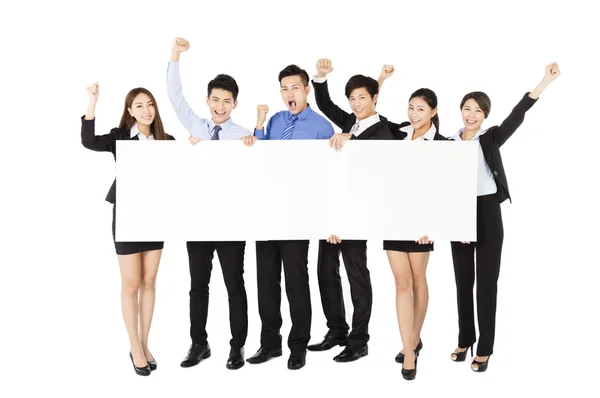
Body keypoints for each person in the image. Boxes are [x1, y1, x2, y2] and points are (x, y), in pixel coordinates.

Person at [449, 63, 561, 373]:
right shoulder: (447, 144)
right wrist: (451, 220)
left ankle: (484, 347)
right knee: (462, 283)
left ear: (485, 116)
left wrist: (544, 82)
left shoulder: (491, 138)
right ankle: (465, 338)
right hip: (456, 211)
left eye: (478, 111)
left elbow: (517, 115)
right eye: (467, 108)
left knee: (486, 283)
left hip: (487, 212)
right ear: (461, 111)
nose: (472, 114)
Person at [241, 64, 334, 370]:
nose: (289, 93)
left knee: (296, 282)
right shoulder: (277, 120)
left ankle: (298, 346)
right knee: (266, 281)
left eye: (294, 87)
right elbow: (260, 157)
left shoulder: (322, 127)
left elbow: (328, 175)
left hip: (299, 213)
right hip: (268, 212)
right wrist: (258, 125)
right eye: (284, 88)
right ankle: (270, 344)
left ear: (307, 89)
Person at [167, 37, 251, 370]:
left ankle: (237, 347)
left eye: (226, 101)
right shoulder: (194, 128)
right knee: (198, 286)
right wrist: (175, 55)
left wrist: (253, 148)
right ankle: (199, 344)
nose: (219, 106)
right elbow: (175, 97)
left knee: (234, 286)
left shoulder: (244, 134)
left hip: (230, 222)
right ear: (208, 100)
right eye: (215, 100)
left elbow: (257, 178)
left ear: (234, 104)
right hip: (198, 220)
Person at [81, 83, 175, 376]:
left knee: (149, 281)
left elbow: (180, 176)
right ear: (130, 111)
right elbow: (88, 142)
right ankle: (134, 346)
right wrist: (92, 102)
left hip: (155, 216)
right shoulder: (119, 137)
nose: (146, 111)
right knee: (131, 283)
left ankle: (145, 344)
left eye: (150, 105)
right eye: (139, 106)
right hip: (127, 214)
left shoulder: (167, 140)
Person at [307, 58, 393, 364]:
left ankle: (359, 341)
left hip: (358, 214)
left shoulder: (383, 130)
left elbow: (368, 153)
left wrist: (351, 139)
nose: (356, 103)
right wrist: (320, 76)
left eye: (362, 98)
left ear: (375, 99)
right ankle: (337, 331)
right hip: (333, 210)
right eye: (352, 98)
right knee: (325, 271)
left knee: (357, 276)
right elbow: (325, 104)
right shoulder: (350, 122)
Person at [377, 65, 446, 380]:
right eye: (411, 107)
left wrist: (433, 224)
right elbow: (366, 120)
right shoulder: (398, 132)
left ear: (433, 111)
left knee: (418, 280)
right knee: (401, 283)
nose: (414, 113)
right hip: (394, 217)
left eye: (421, 109)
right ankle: (408, 346)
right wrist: (380, 82)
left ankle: (412, 344)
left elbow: (446, 189)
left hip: (422, 223)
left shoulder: (442, 144)